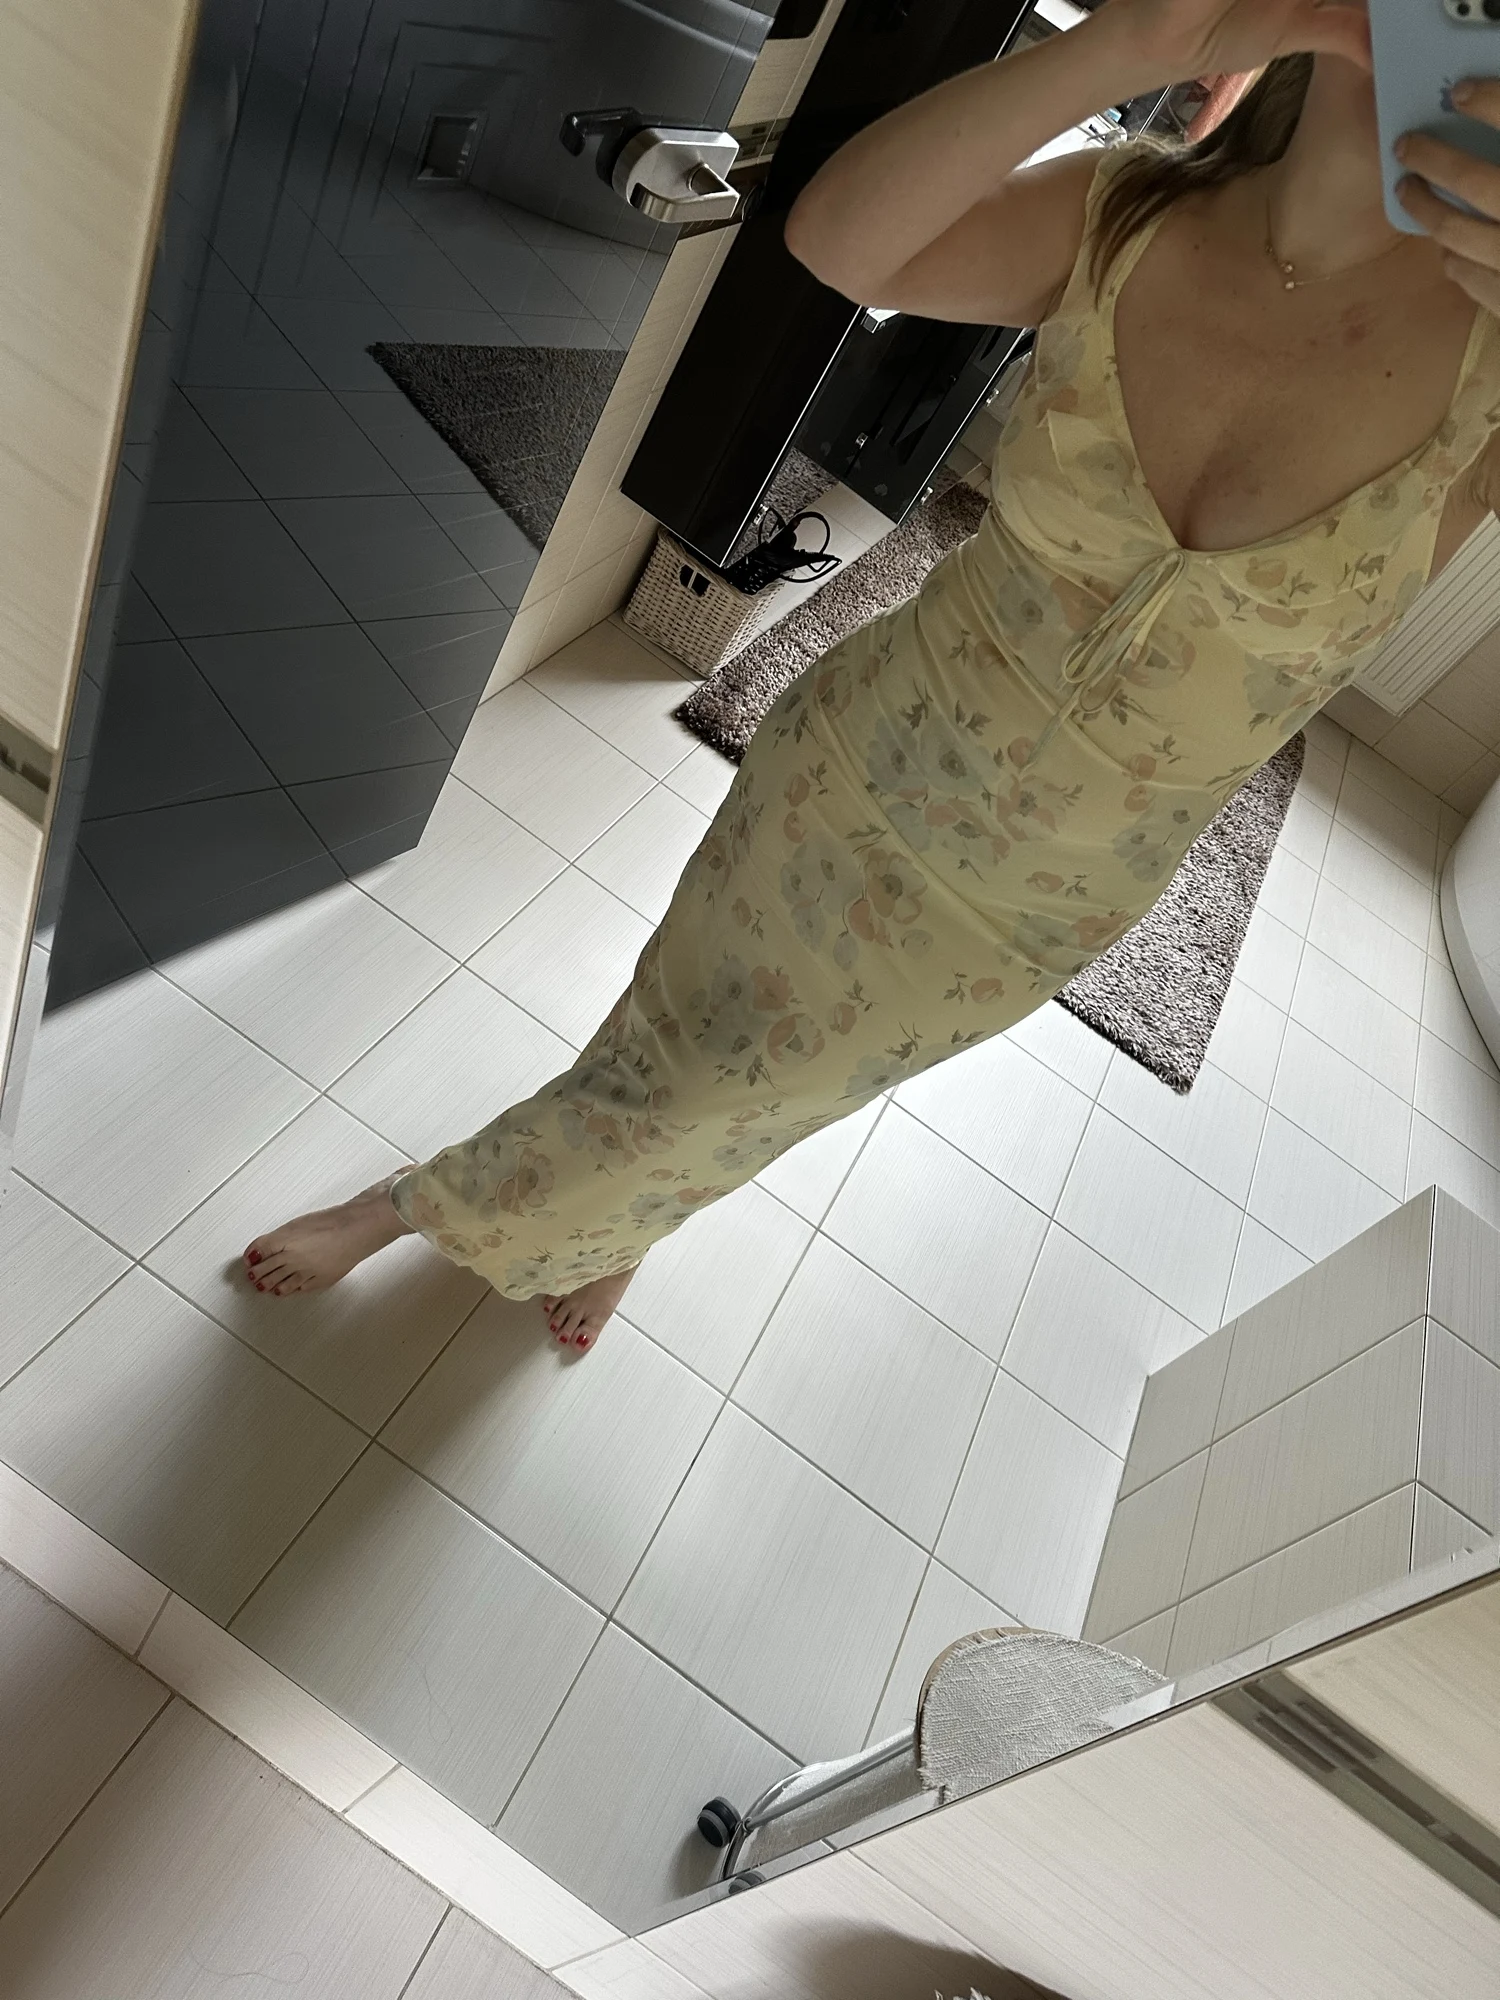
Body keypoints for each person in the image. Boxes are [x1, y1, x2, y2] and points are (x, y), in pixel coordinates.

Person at [246, 0, 1500, 1349]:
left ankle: (430, 1208)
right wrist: (1133, 44)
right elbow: (844, 244)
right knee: (686, 1017)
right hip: (861, 759)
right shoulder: (1127, 212)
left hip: (1036, 903)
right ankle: (604, 1213)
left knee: (767, 1090)